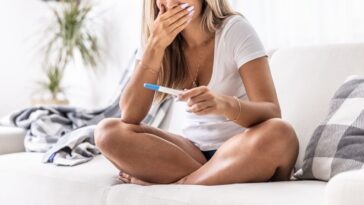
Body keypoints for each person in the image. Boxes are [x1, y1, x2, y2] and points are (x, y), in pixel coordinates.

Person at [94, 0, 299, 185]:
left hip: (242, 150)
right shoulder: (156, 39)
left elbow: (271, 112)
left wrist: (223, 105)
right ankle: (208, 177)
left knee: (281, 133)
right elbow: (130, 115)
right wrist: (155, 47)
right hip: (192, 153)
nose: (172, 2)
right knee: (107, 132)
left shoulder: (234, 30)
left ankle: (181, 184)